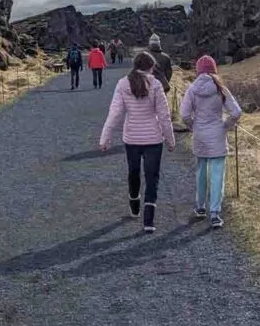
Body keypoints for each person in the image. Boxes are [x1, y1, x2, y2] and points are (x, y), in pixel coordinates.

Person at [100, 51, 176, 232]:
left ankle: (134, 203)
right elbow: (164, 116)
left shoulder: (122, 84)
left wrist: (105, 138)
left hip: (132, 137)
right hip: (153, 138)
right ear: (150, 67)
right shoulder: (156, 84)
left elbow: (115, 113)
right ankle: (148, 221)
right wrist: (170, 140)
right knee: (152, 177)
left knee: (133, 172)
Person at [180, 55, 241, 229]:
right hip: (217, 134)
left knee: (201, 172)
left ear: (198, 70)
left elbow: (184, 115)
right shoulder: (221, 89)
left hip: (200, 134)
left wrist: (194, 126)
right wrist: (225, 126)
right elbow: (236, 112)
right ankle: (215, 213)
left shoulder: (192, 89)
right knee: (217, 175)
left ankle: (200, 207)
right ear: (214, 70)